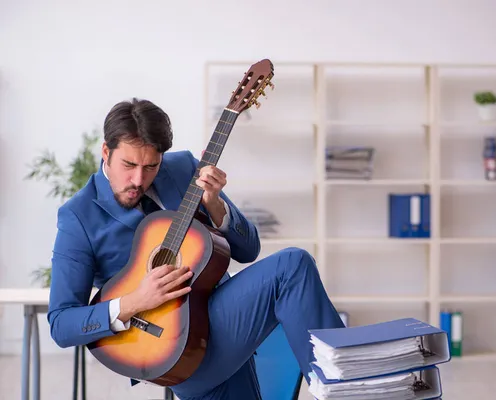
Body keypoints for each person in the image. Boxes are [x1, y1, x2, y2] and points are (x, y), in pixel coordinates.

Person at [47, 98, 345, 400]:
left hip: (224, 318)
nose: (138, 179)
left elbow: (249, 249)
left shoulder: (185, 169)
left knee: (292, 267)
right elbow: (61, 324)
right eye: (129, 165)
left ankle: (345, 386)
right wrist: (133, 301)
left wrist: (215, 205)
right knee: (291, 267)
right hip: (172, 348)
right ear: (106, 153)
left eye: (151, 166)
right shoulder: (78, 217)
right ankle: (348, 382)